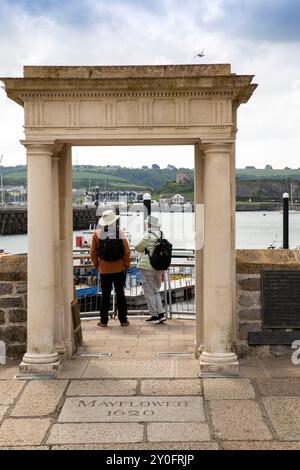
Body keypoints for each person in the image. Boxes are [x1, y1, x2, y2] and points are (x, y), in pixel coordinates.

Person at [90, 209, 130, 327]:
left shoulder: (97, 234)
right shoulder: (120, 232)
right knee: (120, 294)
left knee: (105, 295)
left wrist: (98, 266)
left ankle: (103, 321)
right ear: (114, 221)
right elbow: (126, 251)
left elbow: (93, 253)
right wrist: (126, 265)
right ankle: (123, 320)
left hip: (104, 270)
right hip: (119, 269)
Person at [135, 215, 166, 324]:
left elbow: (138, 247)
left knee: (149, 292)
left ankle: (154, 315)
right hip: (159, 267)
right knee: (156, 290)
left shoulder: (148, 235)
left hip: (147, 267)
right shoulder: (161, 234)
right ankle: (161, 314)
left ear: (149, 225)